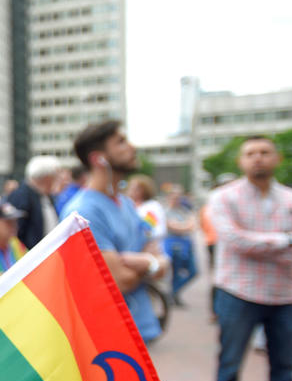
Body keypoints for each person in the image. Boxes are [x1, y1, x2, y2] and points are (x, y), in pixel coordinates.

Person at [202, 135, 292, 381]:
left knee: (285, 370)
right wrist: (288, 240)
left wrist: (264, 246)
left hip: (286, 296)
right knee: (229, 367)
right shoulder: (222, 198)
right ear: (241, 161)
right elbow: (234, 241)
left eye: (264, 152)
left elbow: (256, 245)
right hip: (238, 294)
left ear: (276, 158)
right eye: (250, 153)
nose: (257, 158)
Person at [60, 120, 169, 344]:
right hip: (109, 338)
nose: (132, 147)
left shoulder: (127, 204)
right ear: (98, 159)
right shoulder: (83, 211)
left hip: (139, 325)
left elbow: (160, 259)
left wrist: (148, 263)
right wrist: (151, 263)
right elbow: (120, 280)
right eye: (121, 142)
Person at [7, 155, 61, 249]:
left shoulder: (46, 196)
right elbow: (17, 231)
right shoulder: (22, 196)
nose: (57, 181)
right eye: (54, 177)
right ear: (46, 178)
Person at [164, 185, 198, 306]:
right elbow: (171, 226)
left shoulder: (184, 211)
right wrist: (184, 226)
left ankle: (172, 292)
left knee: (193, 271)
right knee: (175, 272)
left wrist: (180, 226)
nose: (176, 199)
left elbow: (192, 225)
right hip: (173, 246)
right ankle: (174, 295)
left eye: (178, 197)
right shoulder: (165, 211)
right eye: (174, 197)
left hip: (186, 245)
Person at [126, 174, 167, 247]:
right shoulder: (126, 205)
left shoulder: (151, 206)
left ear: (145, 190)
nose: (131, 191)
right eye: (130, 187)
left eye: (136, 188)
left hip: (150, 248)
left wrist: (142, 234)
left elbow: (157, 230)